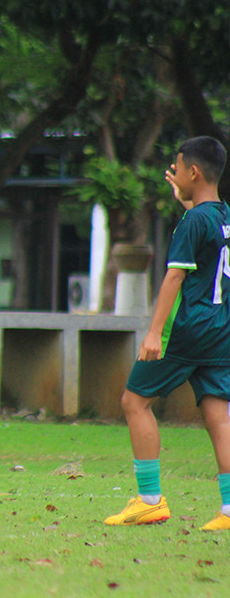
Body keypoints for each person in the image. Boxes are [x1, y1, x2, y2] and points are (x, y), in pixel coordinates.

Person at [105, 136, 230, 531]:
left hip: (188, 328)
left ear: (193, 172)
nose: (173, 174)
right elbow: (206, 233)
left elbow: (175, 276)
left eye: (176, 168)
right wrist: (187, 202)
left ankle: (150, 500)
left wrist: (154, 333)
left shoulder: (193, 222)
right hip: (221, 328)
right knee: (219, 415)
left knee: (134, 401)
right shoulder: (222, 214)